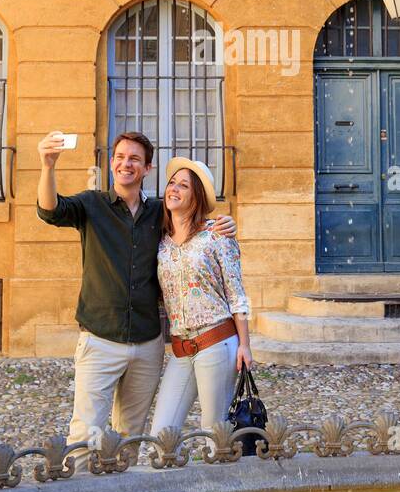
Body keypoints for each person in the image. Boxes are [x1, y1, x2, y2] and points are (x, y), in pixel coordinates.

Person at [36, 131, 235, 467]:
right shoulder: (91, 205)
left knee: (130, 437)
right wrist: (47, 165)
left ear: (147, 168)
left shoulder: (160, 213)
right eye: (120, 157)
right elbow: (50, 210)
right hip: (99, 341)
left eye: (134, 159)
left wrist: (222, 223)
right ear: (112, 163)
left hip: (147, 346)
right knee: (84, 435)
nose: (125, 164)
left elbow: (192, 221)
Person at [150, 157, 252, 436]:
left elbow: (236, 292)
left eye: (184, 185)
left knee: (214, 432)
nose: (174, 189)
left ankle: (224, 479)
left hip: (216, 341)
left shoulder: (216, 235)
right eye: (172, 183)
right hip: (181, 348)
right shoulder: (160, 242)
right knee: (161, 435)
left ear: (196, 197)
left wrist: (245, 344)